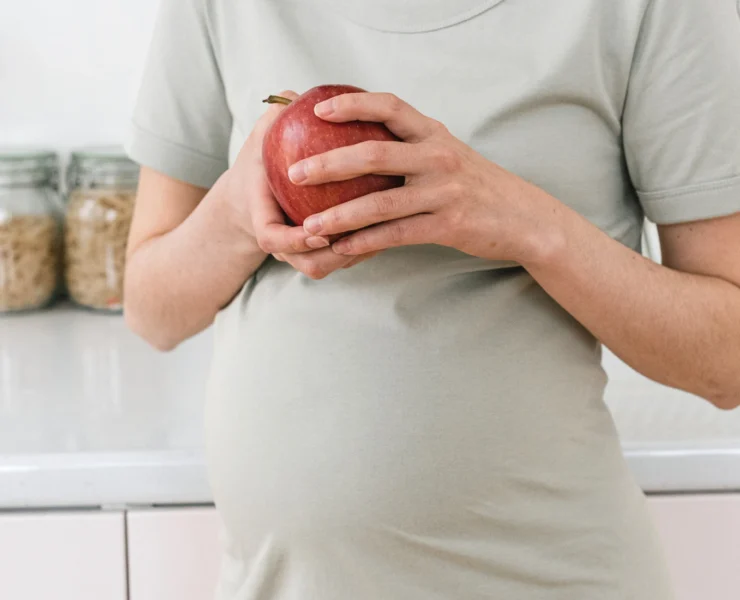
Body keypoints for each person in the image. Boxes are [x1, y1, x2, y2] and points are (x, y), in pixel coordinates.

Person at [124, 0, 740, 598]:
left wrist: (526, 224)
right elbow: (152, 312)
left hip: (545, 578)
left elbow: (727, 362)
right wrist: (238, 212)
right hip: (276, 583)